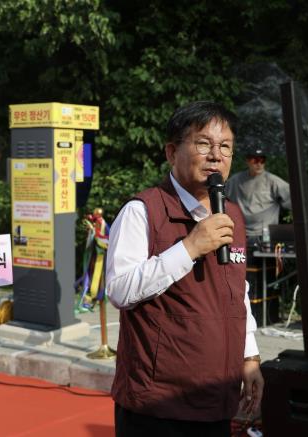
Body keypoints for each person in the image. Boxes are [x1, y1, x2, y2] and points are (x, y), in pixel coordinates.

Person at [106, 101, 263, 437]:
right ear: (171, 152)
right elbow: (119, 290)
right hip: (158, 404)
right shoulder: (142, 211)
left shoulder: (232, 214)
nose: (216, 156)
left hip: (217, 396)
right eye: (203, 144)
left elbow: (239, 291)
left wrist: (249, 357)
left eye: (225, 146)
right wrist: (190, 247)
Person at [225, 148, 291, 240]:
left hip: (266, 234)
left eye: (262, 160)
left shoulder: (273, 181)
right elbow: (222, 200)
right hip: (240, 233)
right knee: (237, 250)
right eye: (255, 160)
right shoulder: (235, 181)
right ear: (247, 161)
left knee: (264, 250)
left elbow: (294, 200)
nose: (259, 164)